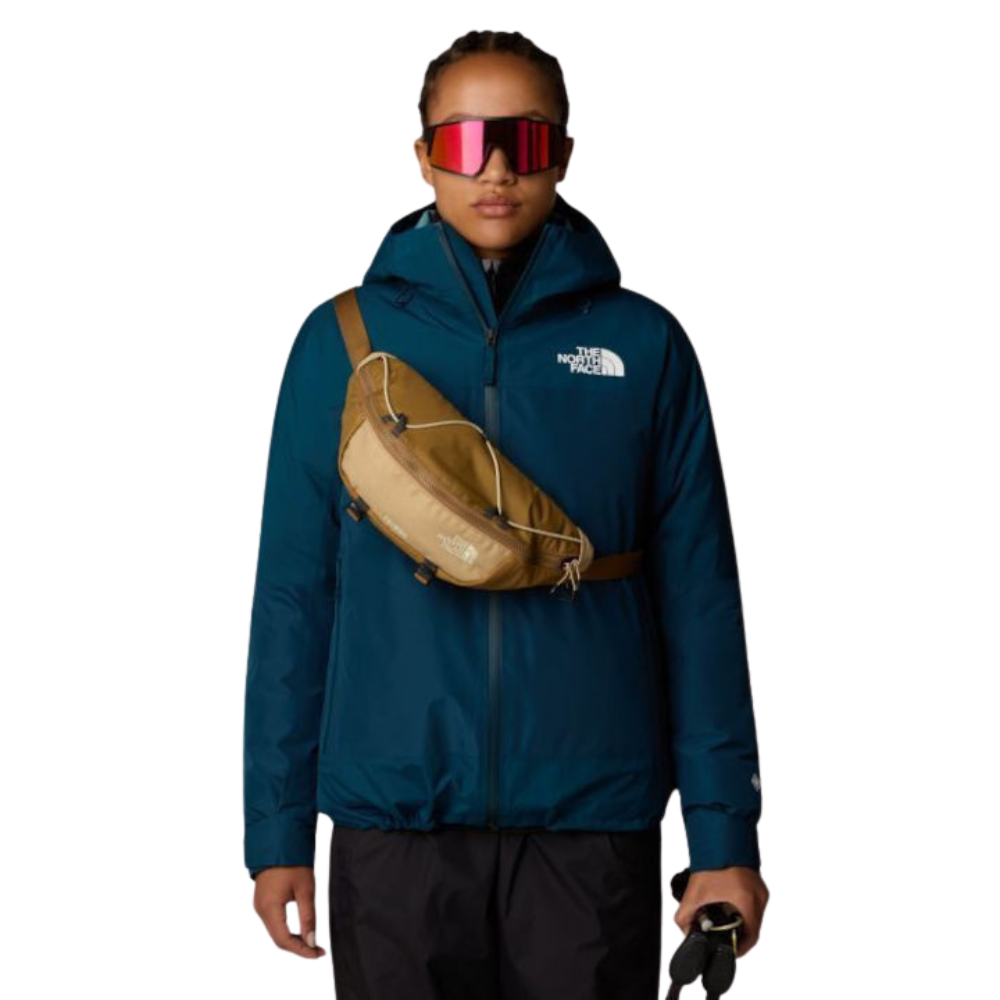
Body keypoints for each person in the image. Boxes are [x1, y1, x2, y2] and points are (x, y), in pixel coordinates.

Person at [243, 29, 769, 998]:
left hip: (592, 819)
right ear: (423, 156)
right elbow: (294, 598)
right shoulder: (338, 342)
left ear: (562, 153)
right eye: (462, 140)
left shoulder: (643, 345)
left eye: (523, 141)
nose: (494, 169)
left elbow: (699, 602)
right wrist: (276, 832)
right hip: (394, 820)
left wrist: (723, 837)